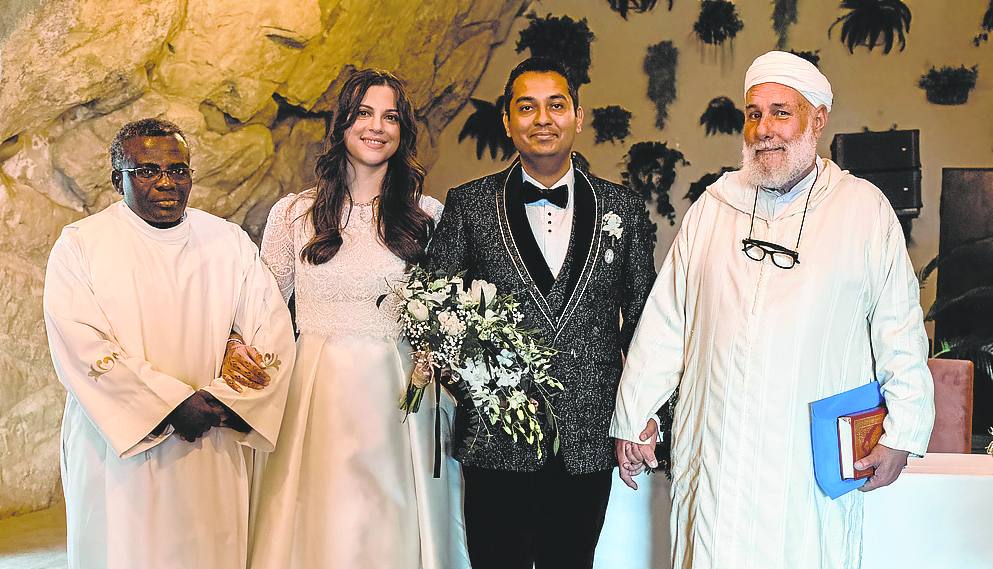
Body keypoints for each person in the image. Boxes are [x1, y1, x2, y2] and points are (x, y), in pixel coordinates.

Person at [610, 50, 935, 569]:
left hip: (806, 463)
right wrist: (636, 412)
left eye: (781, 112)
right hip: (717, 455)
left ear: (818, 119)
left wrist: (906, 430)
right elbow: (667, 322)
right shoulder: (714, 209)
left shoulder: (863, 210)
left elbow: (900, 328)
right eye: (754, 113)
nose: (765, 129)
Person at [427, 57, 657, 569]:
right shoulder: (467, 205)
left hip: (587, 441)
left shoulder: (624, 208)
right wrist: (483, 389)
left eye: (556, 105)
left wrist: (645, 416)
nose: (543, 118)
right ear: (507, 122)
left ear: (578, 116)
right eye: (526, 107)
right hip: (495, 439)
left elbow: (646, 324)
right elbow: (435, 314)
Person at [44, 118, 295, 569]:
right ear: (116, 178)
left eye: (178, 170)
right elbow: (80, 344)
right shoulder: (81, 245)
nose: (166, 182)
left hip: (212, 440)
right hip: (120, 448)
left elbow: (270, 328)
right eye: (147, 170)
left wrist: (224, 403)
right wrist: (173, 406)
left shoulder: (228, 242)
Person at [248, 69, 468, 569]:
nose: (377, 127)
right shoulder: (294, 214)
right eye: (364, 113)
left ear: (403, 131)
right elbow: (263, 310)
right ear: (342, 123)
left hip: (398, 394)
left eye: (390, 117)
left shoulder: (426, 215)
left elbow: (444, 311)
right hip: (314, 390)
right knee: (318, 517)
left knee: (388, 519)